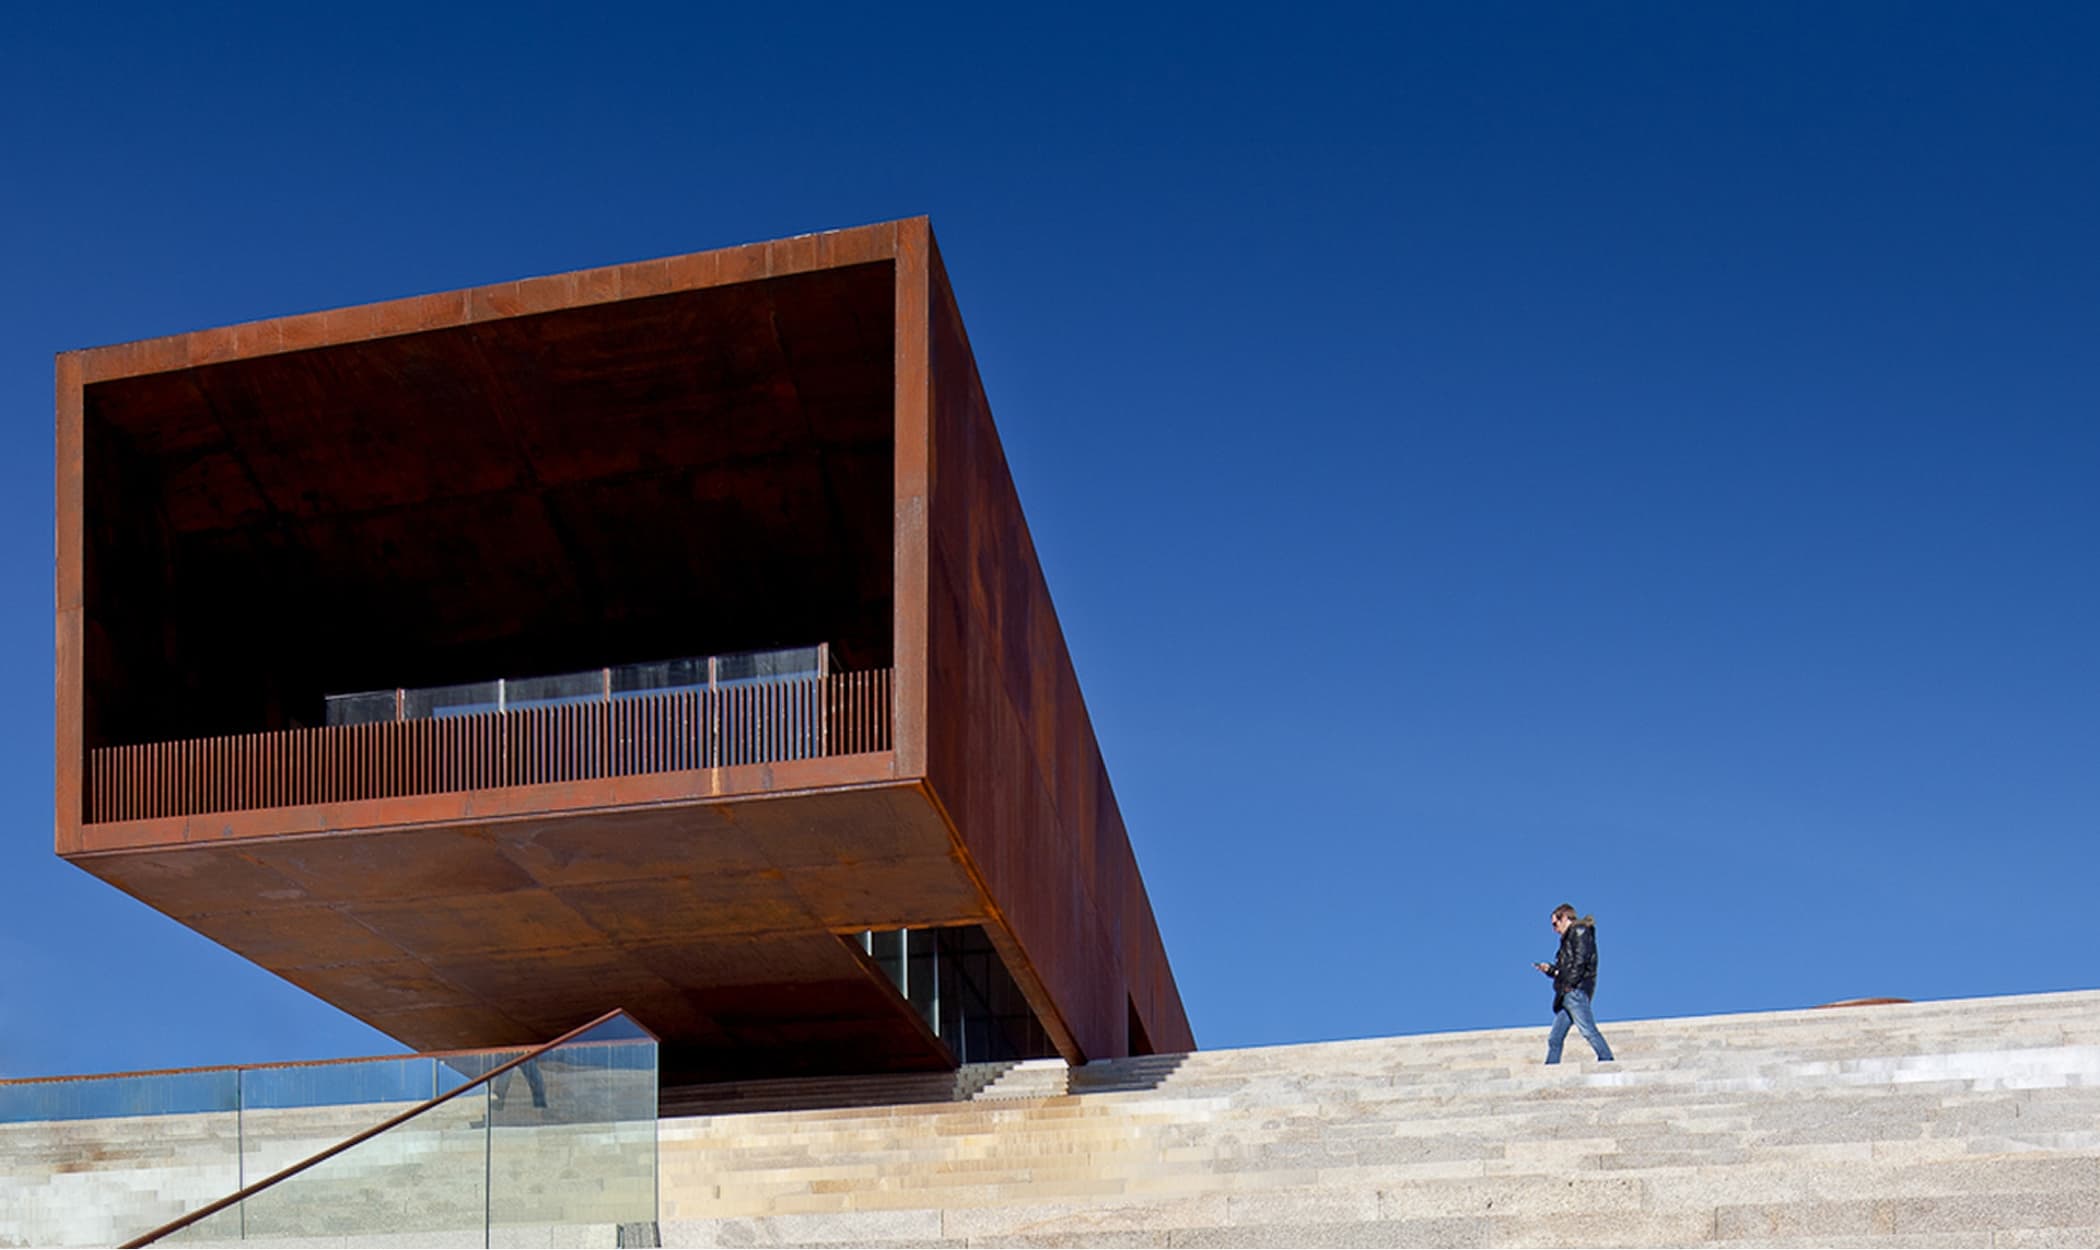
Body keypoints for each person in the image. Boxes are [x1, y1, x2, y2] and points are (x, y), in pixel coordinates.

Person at [1532, 903, 1614, 1064]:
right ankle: (1551, 1067)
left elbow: (1579, 962)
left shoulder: (1579, 931)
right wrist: (1550, 970)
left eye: (1555, 924)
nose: (1554, 929)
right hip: (1567, 993)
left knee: (1588, 1029)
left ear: (1564, 917)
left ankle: (1607, 1059)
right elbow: (1566, 968)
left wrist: (1569, 984)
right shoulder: (1569, 938)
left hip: (1574, 992)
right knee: (1555, 1038)